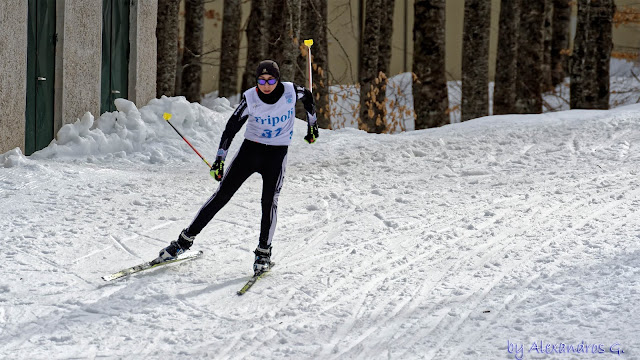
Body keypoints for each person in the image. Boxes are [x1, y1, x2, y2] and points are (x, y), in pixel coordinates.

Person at [158, 60, 319, 275]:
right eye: (261, 80)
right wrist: (220, 160)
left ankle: (263, 252)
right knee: (221, 195)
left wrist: (313, 126)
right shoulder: (250, 98)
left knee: (269, 202)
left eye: (271, 80)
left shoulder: (290, 91)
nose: (266, 85)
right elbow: (230, 128)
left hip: (277, 154)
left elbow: (308, 97)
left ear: (278, 79)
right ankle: (182, 243)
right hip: (250, 152)